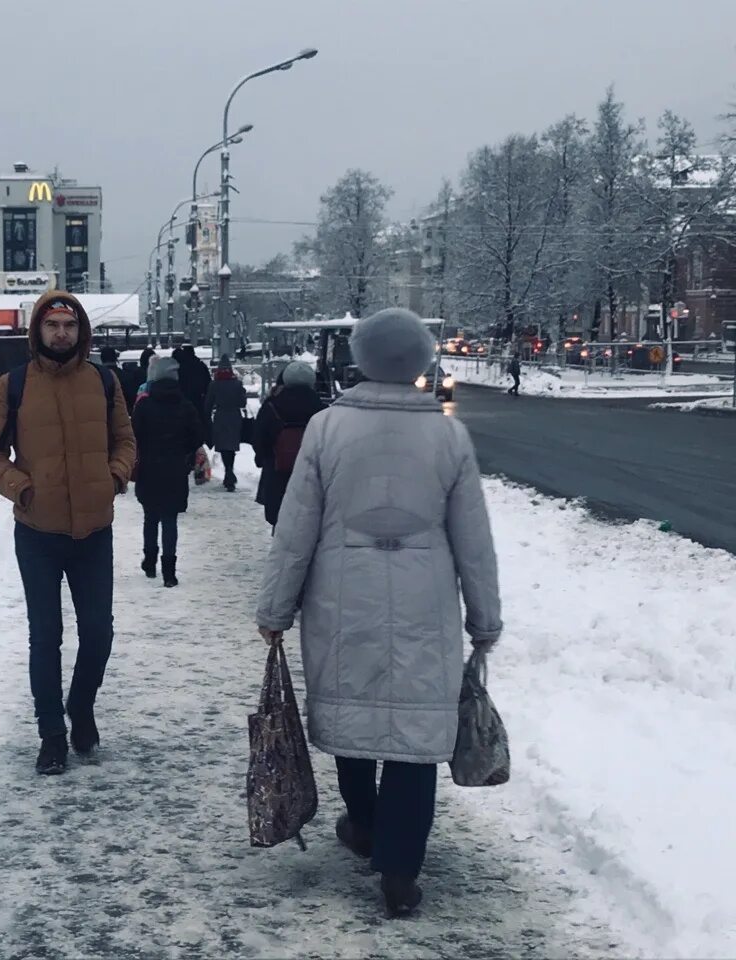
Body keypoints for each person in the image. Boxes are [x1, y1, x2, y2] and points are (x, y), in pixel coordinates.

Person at [254, 307, 502, 919]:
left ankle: (363, 824)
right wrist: (485, 619)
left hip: (343, 596)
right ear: (420, 360)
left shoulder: (327, 428)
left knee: (354, 714)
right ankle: (400, 870)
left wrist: (275, 607)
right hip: (426, 603)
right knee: (416, 736)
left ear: (360, 358)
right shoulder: (448, 436)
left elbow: (297, 528)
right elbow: (475, 538)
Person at [0, 291, 136, 776]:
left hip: (94, 531)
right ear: (38, 332)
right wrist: (20, 488)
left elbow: (126, 441)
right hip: (38, 532)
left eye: (69, 326)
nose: (61, 334)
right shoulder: (14, 385)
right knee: (45, 636)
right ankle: (52, 733)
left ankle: (81, 704)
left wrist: (114, 477)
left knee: (98, 632)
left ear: (80, 330)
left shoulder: (104, 381)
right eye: (53, 326)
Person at [132, 356, 204, 588]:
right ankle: (169, 572)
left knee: (150, 516)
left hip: (149, 468)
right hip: (175, 469)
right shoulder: (185, 405)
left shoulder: (144, 404)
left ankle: (150, 560)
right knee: (169, 519)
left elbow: (134, 436)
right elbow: (196, 437)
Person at [252, 360, 327, 528]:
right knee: (308, 517)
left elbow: (259, 435)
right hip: (312, 471)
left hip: (277, 468)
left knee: (279, 514)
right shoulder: (322, 409)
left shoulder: (272, 405)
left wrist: (262, 457)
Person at [203, 355, 247, 492]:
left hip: (220, 417)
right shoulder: (237, 384)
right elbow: (242, 403)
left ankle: (228, 472)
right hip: (234, 417)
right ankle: (230, 471)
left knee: (223, 446)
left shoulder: (214, 384)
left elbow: (208, 405)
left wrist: (207, 420)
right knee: (232, 447)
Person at [100, 345, 138, 416]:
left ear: (101, 359)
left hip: (102, 415)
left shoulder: (97, 376)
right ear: (115, 358)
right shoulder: (127, 376)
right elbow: (132, 398)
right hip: (123, 414)